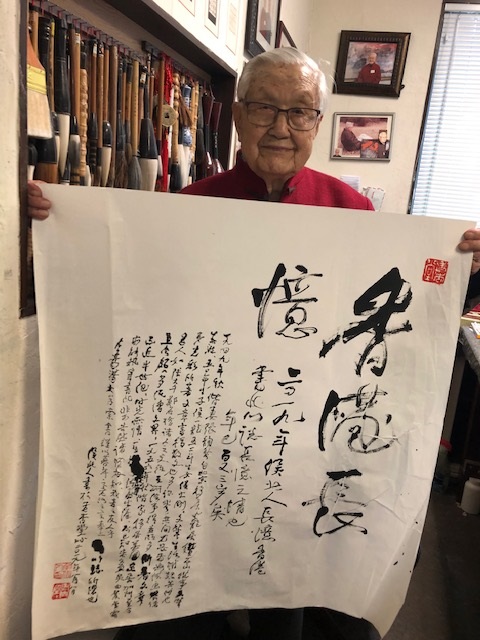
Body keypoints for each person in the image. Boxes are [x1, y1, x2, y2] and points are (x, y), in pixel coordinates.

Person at [26, 46, 480, 639]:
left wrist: (461, 263)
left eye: (300, 112)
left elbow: (396, 316)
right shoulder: (188, 208)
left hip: (299, 438)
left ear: (318, 123)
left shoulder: (355, 212)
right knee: (193, 584)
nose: (281, 127)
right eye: (265, 108)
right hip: (211, 435)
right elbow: (127, 298)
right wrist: (59, 222)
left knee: (284, 583)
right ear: (238, 116)